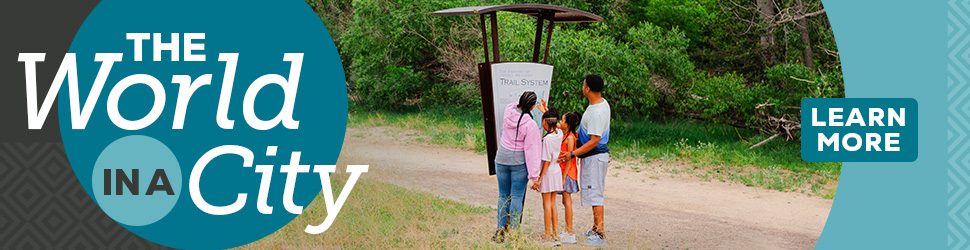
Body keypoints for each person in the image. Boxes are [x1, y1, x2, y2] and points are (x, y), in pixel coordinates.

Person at [558, 74, 610, 246]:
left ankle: (600, 233)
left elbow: (595, 140)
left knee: (595, 194)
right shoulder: (599, 104)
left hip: (594, 157)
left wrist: (573, 154)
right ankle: (595, 227)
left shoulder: (596, 112)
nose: (582, 87)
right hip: (593, 157)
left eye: (583, 84)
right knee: (593, 191)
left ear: (587, 88)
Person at [492, 92, 542, 243]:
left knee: (503, 195)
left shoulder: (508, 111)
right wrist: (534, 176)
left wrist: (522, 102)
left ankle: (500, 230)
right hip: (518, 163)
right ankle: (514, 233)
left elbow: (514, 104)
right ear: (532, 107)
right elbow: (532, 150)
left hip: (501, 159)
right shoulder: (530, 124)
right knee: (516, 197)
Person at [531, 108, 564, 247]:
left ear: (544, 122)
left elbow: (546, 161)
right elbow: (556, 124)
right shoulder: (560, 133)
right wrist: (546, 109)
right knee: (553, 204)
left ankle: (547, 236)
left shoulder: (547, 140)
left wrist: (539, 179)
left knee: (546, 205)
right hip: (557, 172)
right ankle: (555, 234)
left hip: (548, 173)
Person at [557, 111, 582, 244]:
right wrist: (544, 109)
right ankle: (567, 230)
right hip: (564, 173)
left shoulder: (570, 138)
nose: (560, 123)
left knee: (567, 202)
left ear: (567, 124)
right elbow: (554, 123)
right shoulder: (565, 133)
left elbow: (570, 160)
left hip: (568, 173)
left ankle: (570, 232)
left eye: (562, 120)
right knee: (564, 201)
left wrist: (563, 177)